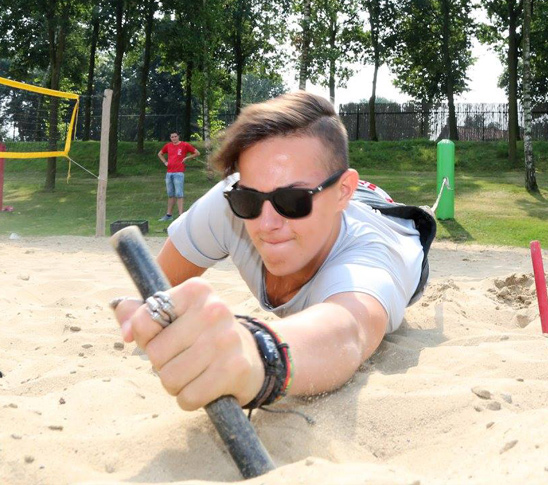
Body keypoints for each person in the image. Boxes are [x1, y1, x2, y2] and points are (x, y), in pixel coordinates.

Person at [113, 92, 435, 412]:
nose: (266, 224)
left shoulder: (369, 259)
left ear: (342, 193)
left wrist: (257, 354)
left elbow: (348, 332)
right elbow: (158, 289)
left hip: (388, 220)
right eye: (249, 200)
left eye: (293, 201)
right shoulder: (229, 204)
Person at [157, 132, 200, 222]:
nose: (174, 138)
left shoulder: (184, 145)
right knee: (170, 194)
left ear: (178, 137)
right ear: (170, 138)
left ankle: (181, 215)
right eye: (172, 137)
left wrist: (187, 158)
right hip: (169, 173)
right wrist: (165, 162)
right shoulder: (168, 146)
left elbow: (197, 153)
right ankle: (169, 215)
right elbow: (160, 154)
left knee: (179, 194)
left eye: (175, 136)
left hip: (179, 173)